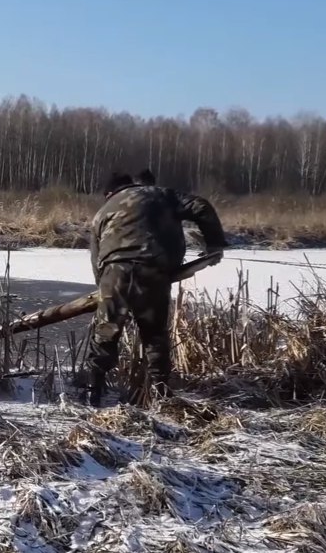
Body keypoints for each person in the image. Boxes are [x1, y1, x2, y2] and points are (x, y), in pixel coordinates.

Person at [84, 168, 229, 406]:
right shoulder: (162, 195)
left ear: (109, 192)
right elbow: (201, 206)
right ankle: (161, 393)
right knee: (154, 335)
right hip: (154, 271)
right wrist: (214, 243)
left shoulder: (102, 212)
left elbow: (96, 258)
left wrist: (104, 289)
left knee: (105, 335)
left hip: (115, 273)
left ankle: (93, 392)